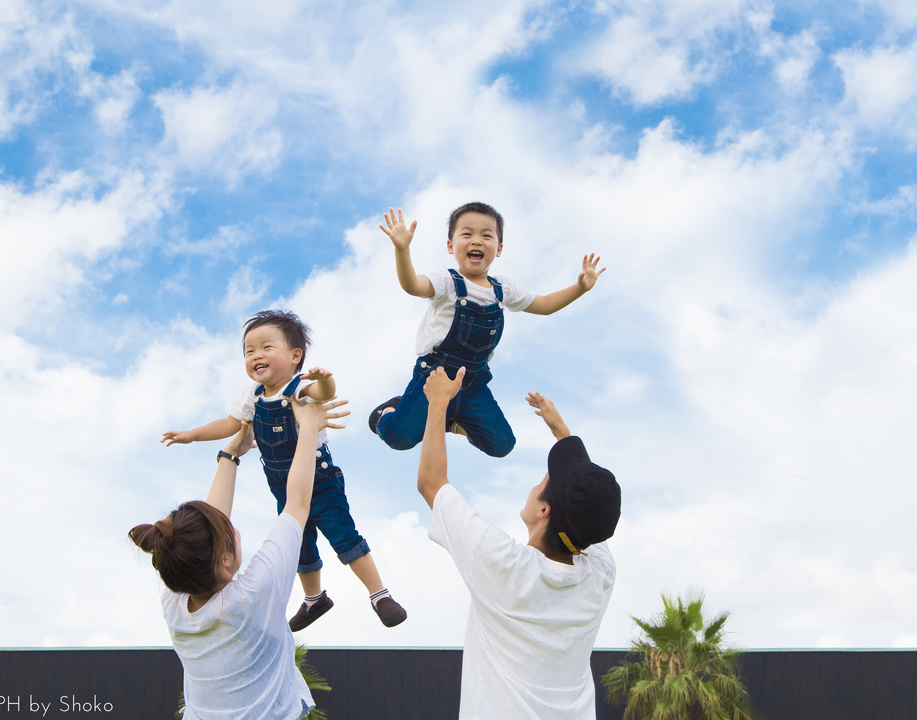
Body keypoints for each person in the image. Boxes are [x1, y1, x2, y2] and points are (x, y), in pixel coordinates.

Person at [161, 310, 406, 630]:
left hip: (318, 481)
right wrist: (192, 435)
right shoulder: (253, 396)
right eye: (249, 351)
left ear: (295, 356)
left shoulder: (299, 387)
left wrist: (324, 379)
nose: (256, 355)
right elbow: (230, 423)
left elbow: (325, 394)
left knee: (343, 536)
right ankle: (314, 599)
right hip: (282, 484)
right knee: (297, 544)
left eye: (266, 347)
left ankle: (379, 594)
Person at [417, 365, 621, 719]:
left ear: (544, 509)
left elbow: (432, 483)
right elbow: (592, 507)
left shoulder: (505, 564)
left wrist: (438, 401)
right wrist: (563, 434)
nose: (540, 478)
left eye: (545, 478)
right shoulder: (597, 575)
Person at [131, 397, 347, 720]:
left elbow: (203, 535)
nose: (231, 525)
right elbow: (299, 504)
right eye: (228, 529)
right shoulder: (253, 595)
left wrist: (231, 454)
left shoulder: (175, 599)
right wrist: (310, 430)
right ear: (225, 561)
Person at [370, 203, 605, 458]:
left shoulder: (502, 289)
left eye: (486, 235)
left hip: (473, 384)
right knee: (399, 438)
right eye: (467, 234)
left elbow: (545, 304)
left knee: (502, 445)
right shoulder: (446, 281)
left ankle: (451, 420)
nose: (477, 241)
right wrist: (402, 249)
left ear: (499, 248)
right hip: (435, 377)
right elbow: (412, 285)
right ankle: (387, 413)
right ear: (451, 245)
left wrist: (580, 287)